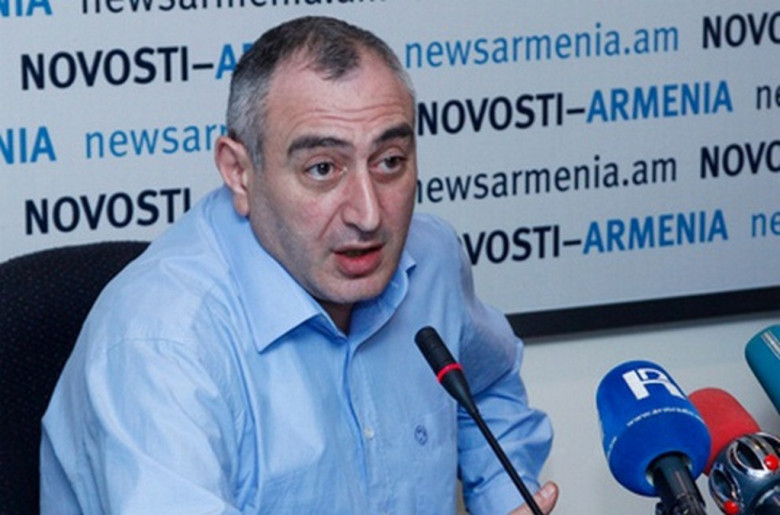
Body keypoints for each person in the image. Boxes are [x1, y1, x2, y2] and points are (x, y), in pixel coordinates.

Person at [41, 15, 557, 514]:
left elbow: (487, 386)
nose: (368, 215)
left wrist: (503, 501)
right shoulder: (161, 343)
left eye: (390, 162)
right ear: (239, 172)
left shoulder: (432, 261)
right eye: (323, 168)